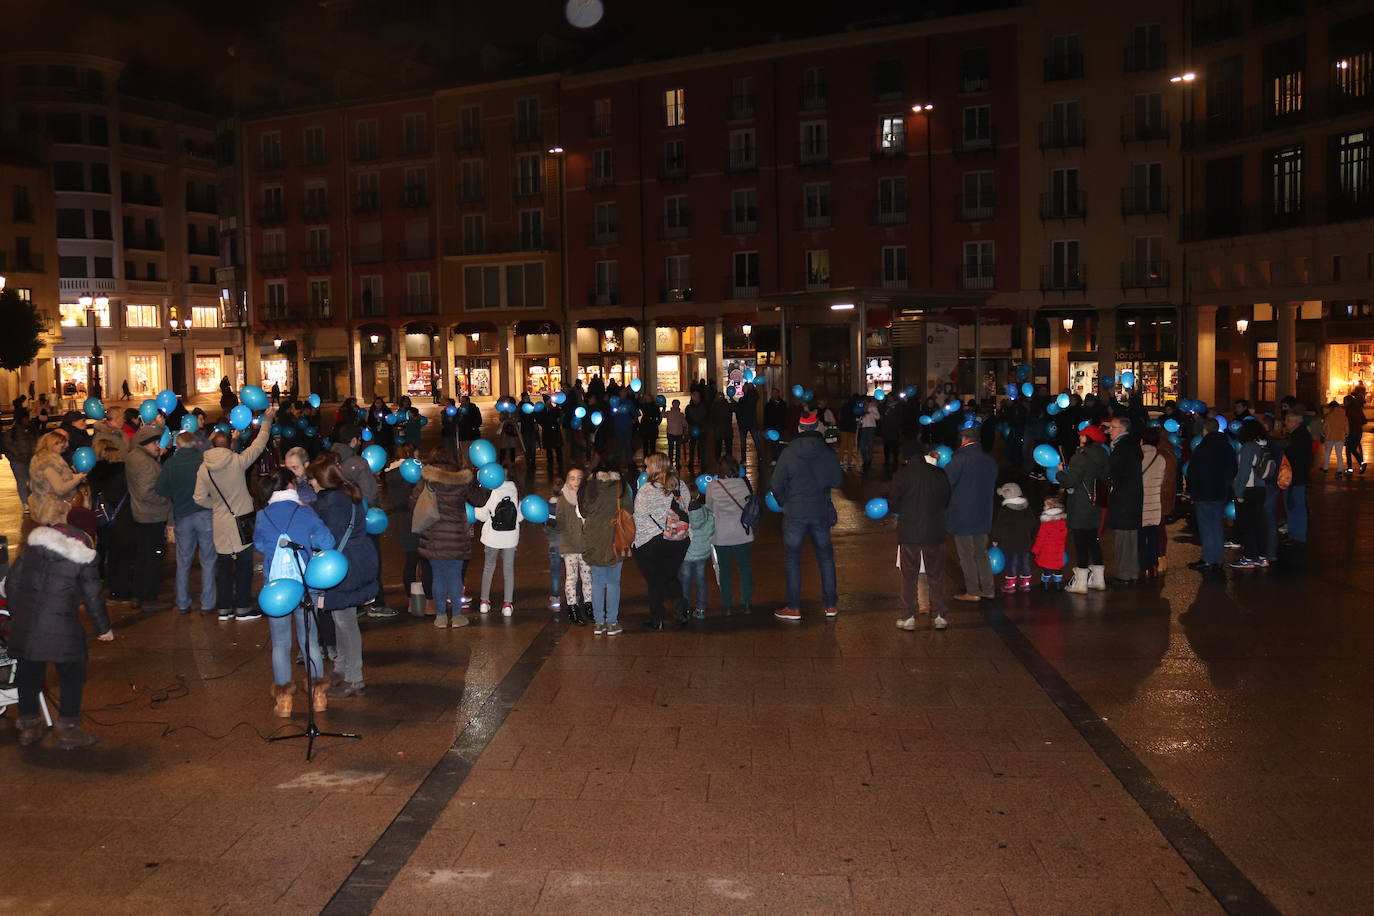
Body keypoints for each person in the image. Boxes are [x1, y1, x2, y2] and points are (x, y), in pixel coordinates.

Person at [5, 522, 113, 749]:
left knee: (29, 676)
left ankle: (28, 727)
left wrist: (20, 614)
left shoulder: (31, 548)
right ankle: (68, 730)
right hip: (62, 626)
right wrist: (104, 629)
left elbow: (12, 583)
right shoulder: (85, 558)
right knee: (73, 674)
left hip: (27, 625)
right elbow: (93, 596)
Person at [253, 468, 335, 717]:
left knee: (280, 643)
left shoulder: (262, 515)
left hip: (276, 588)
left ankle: (284, 702)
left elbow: (258, 544)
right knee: (309, 641)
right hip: (305, 584)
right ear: (291, 485)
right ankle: (318, 696)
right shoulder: (305, 511)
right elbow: (328, 542)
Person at [195, 407, 278, 620]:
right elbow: (259, 444)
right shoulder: (237, 462)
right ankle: (242, 607)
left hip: (220, 524)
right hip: (242, 521)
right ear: (229, 445)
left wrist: (215, 506)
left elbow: (198, 498)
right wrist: (267, 421)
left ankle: (224, 608)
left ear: (213, 446)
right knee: (243, 566)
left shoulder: (204, 469)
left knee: (222, 567)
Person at [309, 453, 379, 697]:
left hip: (342, 565)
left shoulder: (330, 503)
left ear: (322, 479)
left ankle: (354, 677)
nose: (310, 483)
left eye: (313, 479)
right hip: (357, 559)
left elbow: (329, 539)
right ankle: (341, 668)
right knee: (341, 617)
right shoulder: (349, 494)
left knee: (345, 621)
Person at [770, 411, 844, 620]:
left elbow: (775, 484)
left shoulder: (789, 452)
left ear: (800, 428)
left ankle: (794, 607)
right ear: (816, 428)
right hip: (820, 511)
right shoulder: (828, 453)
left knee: (793, 559)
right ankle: (830, 605)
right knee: (826, 558)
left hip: (794, 513)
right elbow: (838, 482)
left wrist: (785, 502)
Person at [889, 448, 952, 630]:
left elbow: (894, 503)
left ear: (907, 460)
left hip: (909, 533)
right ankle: (939, 615)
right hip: (935, 531)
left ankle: (909, 616)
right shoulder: (939, 474)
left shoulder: (901, 475)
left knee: (909, 577)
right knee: (936, 576)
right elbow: (947, 499)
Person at [412, 454, 476, 628]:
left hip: (434, 537)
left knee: (438, 577)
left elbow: (413, 503)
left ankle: (440, 617)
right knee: (455, 577)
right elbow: (478, 500)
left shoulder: (427, 481)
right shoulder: (461, 481)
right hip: (456, 537)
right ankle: (457, 617)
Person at [156, 431, 217, 614]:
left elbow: (161, 489)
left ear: (178, 445)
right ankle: (207, 603)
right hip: (205, 514)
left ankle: (182, 602)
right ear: (196, 444)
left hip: (182, 516)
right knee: (208, 561)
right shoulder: (204, 462)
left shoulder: (171, 464)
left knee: (183, 562)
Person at [633, 452, 693, 630]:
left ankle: (656, 619)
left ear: (655, 468)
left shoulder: (646, 489)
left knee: (654, 580)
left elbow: (639, 517)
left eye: (647, 466)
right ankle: (681, 614)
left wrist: (635, 542)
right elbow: (687, 508)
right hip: (679, 540)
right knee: (670, 576)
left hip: (655, 541)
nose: (645, 469)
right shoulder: (680, 485)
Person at [945, 425, 998, 602]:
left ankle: (973, 591)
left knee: (966, 555)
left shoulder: (960, 459)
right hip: (983, 513)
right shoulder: (990, 461)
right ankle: (988, 588)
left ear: (963, 439)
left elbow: (947, 483)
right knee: (981, 553)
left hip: (963, 515)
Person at [125, 424, 172, 611]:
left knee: (142, 557)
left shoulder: (135, 456)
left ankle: (138, 595)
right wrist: (165, 499)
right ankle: (149, 598)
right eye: (155, 443)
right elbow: (147, 491)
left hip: (140, 514)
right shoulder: (144, 463)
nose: (157, 446)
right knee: (152, 558)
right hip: (151, 515)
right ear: (146, 443)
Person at [580, 465, 632, 635]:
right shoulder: (620, 487)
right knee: (613, 582)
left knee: (597, 582)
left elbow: (584, 511)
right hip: (615, 539)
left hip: (593, 539)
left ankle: (598, 623)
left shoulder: (589, 487)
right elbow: (629, 510)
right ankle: (611, 623)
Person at [705, 455, 755, 615]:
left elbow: (709, 508)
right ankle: (746, 603)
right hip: (743, 533)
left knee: (724, 570)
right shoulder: (743, 483)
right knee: (745, 568)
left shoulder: (713, 486)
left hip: (721, 534)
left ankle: (727, 605)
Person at [1186, 418, 1237, 574]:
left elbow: (1192, 472)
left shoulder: (1202, 448)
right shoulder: (1227, 447)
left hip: (1203, 493)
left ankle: (1209, 558)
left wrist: (1192, 491)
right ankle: (1218, 559)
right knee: (1216, 525)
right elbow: (1233, 469)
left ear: (1204, 430)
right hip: (1220, 492)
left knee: (1206, 527)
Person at [475, 468, 523, 616]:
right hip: (510, 536)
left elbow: (482, 516)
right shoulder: (514, 489)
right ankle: (507, 604)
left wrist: (476, 509)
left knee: (488, 568)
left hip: (492, 537)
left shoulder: (490, 492)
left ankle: (484, 602)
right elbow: (519, 516)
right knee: (508, 570)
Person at [1105, 415, 1144, 586]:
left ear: (1122, 429)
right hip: (1133, 497)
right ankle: (1132, 571)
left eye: (1112, 427)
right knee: (1131, 536)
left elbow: (1112, 471)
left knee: (1122, 537)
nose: (1109, 431)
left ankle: (1123, 574)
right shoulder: (1132, 446)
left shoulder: (1121, 448)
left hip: (1123, 498)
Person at [1230, 420, 1274, 570]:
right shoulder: (1263, 445)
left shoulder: (1249, 447)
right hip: (1261, 488)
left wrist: (1239, 492)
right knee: (1259, 523)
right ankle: (1262, 557)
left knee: (1247, 524)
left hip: (1248, 489)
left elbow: (1243, 472)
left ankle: (1249, 557)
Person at [551, 467, 590, 625]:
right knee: (572, 578)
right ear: (567, 481)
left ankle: (589, 605)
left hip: (585, 544)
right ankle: (572, 608)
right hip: (570, 545)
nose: (576, 481)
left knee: (588, 577)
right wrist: (553, 522)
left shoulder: (586, 497)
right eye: (572, 478)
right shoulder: (563, 499)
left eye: (579, 478)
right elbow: (560, 523)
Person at [27, 430, 86, 526]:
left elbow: (61, 478)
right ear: (53, 444)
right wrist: (77, 478)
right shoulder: (47, 463)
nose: (65, 446)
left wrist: (76, 476)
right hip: (54, 512)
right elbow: (60, 489)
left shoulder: (41, 458)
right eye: (62, 444)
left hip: (50, 508)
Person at [990, 482, 1037, 592]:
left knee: (1011, 563)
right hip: (1025, 542)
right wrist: (1029, 534)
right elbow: (1033, 524)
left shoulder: (1005, 511)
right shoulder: (1026, 509)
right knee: (1024, 562)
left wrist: (995, 539)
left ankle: (1011, 584)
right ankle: (1026, 582)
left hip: (1009, 543)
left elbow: (998, 526)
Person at [679, 490, 714, 619]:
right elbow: (711, 529)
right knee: (701, 580)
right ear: (698, 496)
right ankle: (701, 609)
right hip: (702, 553)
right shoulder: (707, 513)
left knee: (685, 581)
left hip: (687, 554)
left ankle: (685, 609)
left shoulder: (682, 514)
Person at [1138, 427, 1167, 579]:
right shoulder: (1160, 459)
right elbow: (1161, 480)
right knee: (1154, 534)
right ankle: (1154, 564)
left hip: (1141, 502)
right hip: (1155, 502)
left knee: (1142, 536)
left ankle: (1144, 566)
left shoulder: (1138, 457)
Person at [1283, 410, 1311, 544]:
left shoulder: (1300, 436)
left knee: (1296, 506)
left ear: (1296, 421)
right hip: (1294, 476)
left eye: (1288, 420)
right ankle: (1294, 533)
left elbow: (1295, 457)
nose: (1285, 423)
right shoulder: (1297, 435)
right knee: (1292, 506)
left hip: (1296, 477)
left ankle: (1298, 535)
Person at [1031, 494, 1069, 590]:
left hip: (1046, 551)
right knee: (1057, 568)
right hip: (1058, 551)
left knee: (1047, 569)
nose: (1044, 507)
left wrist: (1035, 550)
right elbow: (1064, 536)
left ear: (1051, 508)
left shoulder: (1046, 524)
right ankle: (1058, 584)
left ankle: (1045, 584)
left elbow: (1040, 538)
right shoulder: (1062, 522)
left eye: (1045, 505)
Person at [1, 411, 37, 511]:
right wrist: (17, 454)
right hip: (18, 461)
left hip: (31, 459)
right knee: (21, 481)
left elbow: (37, 441)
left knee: (33, 481)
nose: (27, 420)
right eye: (25, 418)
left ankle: (28, 498)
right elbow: (7, 445)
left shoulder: (32, 430)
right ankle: (25, 503)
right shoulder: (12, 432)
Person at [734, 382, 762, 465]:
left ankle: (759, 457)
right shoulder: (742, 399)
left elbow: (757, 396)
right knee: (744, 443)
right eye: (743, 387)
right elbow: (738, 411)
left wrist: (752, 387)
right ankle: (744, 459)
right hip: (745, 424)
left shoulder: (751, 397)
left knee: (755, 441)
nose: (743, 388)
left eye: (745, 387)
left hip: (750, 423)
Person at [1320, 400, 1348, 473]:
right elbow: (1346, 427)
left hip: (1329, 437)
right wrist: (1346, 434)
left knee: (1327, 453)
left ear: (1331, 407)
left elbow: (1324, 426)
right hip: (1340, 437)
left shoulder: (1328, 416)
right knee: (1339, 454)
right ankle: (1339, 470)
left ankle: (1325, 468)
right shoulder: (1344, 415)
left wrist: (1323, 433)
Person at [1345, 393, 1366, 473]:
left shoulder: (1349, 410)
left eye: (1345, 401)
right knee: (1353, 449)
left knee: (1348, 450)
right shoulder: (1358, 409)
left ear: (1348, 402)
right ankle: (1361, 463)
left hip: (1351, 432)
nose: (1344, 403)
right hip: (1358, 431)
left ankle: (1350, 468)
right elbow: (1364, 421)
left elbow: (1346, 422)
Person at [665, 399, 686, 468]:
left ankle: (673, 462)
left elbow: (684, 424)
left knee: (674, 449)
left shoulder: (678, 414)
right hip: (675, 433)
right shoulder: (679, 414)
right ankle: (675, 462)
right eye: (675, 404)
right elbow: (684, 424)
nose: (676, 406)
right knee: (675, 449)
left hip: (674, 433)